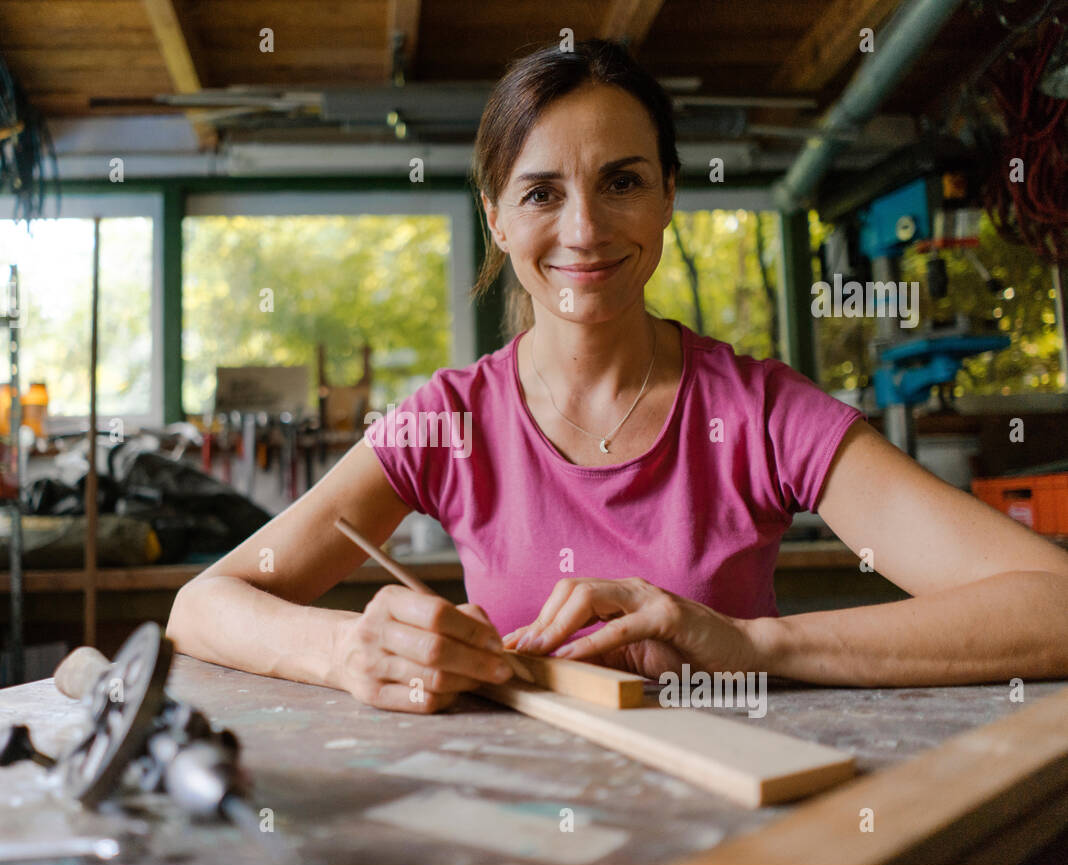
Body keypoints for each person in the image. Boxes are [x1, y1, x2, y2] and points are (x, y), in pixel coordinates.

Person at [167, 39, 1068, 713]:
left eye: (623, 181)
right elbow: (201, 605)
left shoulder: (758, 412)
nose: (586, 229)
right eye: (541, 191)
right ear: (496, 218)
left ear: (670, 196)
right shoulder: (448, 419)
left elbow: (1053, 604)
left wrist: (752, 643)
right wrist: (345, 649)